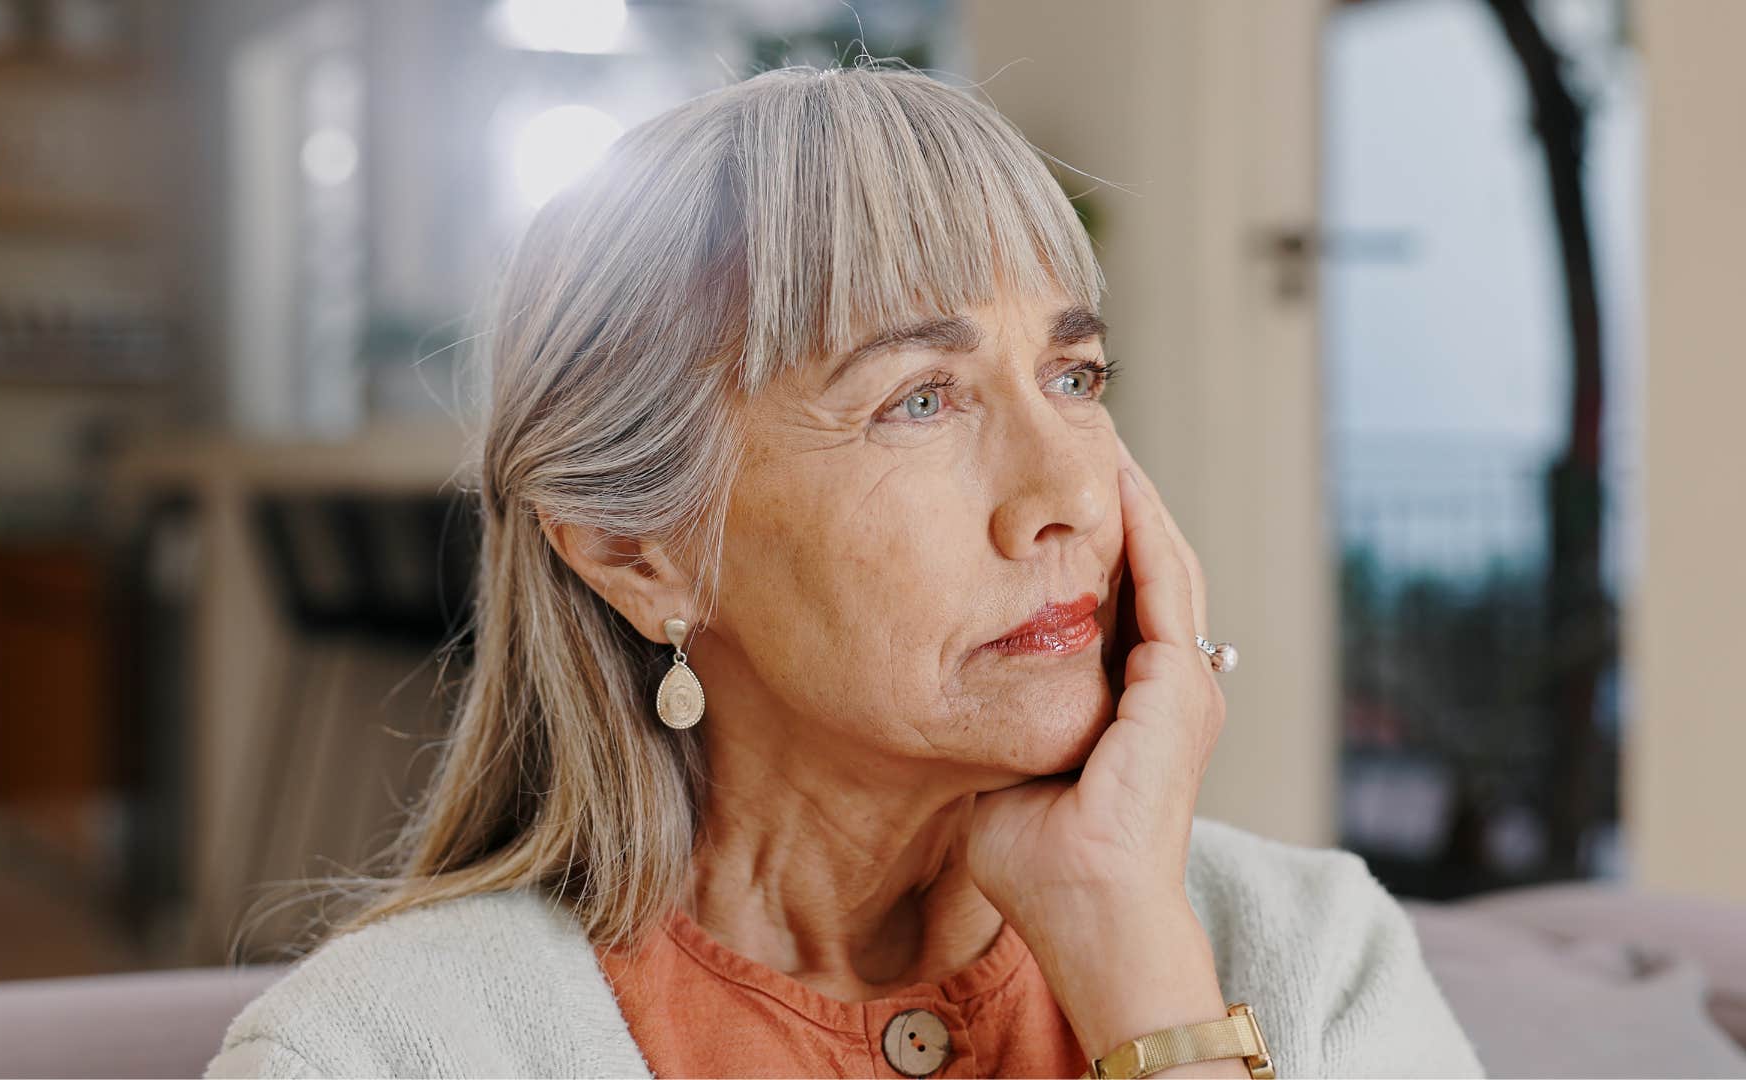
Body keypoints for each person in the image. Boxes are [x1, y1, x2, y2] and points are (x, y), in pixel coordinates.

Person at [205, 64, 1481, 1079]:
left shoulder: (1311, 951)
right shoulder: (377, 1054)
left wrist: (1139, 968)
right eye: (920, 400)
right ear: (632, 552)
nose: (1070, 494)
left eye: (1073, 376)